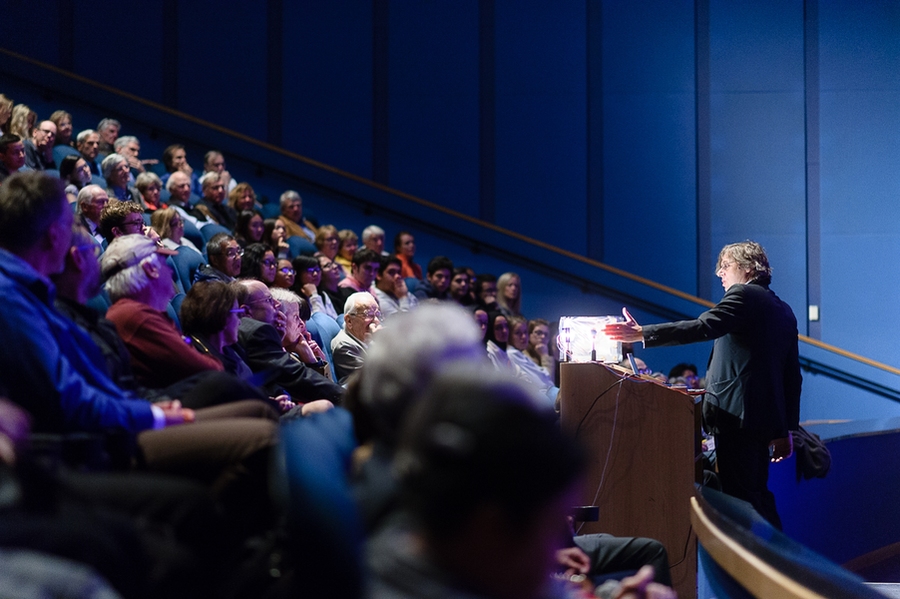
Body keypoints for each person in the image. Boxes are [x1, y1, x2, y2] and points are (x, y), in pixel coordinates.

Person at [604, 240, 802, 530]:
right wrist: (787, 429)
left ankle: (762, 569)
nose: (719, 273)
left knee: (742, 501)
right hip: (761, 421)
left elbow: (703, 326)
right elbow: (791, 376)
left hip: (736, 418)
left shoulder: (744, 295)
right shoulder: (783, 309)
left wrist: (642, 334)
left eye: (726, 266)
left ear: (748, 268)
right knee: (756, 496)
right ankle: (779, 564)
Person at [235, 279, 344, 404]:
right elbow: (297, 380)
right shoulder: (257, 336)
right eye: (269, 300)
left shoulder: (291, 349)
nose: (303, 325)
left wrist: (312, 361)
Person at [331, 292, 381, 385]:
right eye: (369, 314)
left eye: (377, 314)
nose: (376, 321)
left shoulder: (367, 338)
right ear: (349, 321)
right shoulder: (344, 346)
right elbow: (374, 380)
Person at [372, 254, 418, 319]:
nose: (398, 276)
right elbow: (402, 324)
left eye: (399, 272)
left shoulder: (400, 290)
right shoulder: (376, 300)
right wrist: (403, 298)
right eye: (391, 272)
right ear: (378, 275)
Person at [292, 255, 338, 319]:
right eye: (310, 270)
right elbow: (320, 321)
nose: (315, 274)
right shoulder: (292, 298)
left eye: (317, 270)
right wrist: (313, 296)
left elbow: (334, 320)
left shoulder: (322, 294)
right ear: (298, 273)